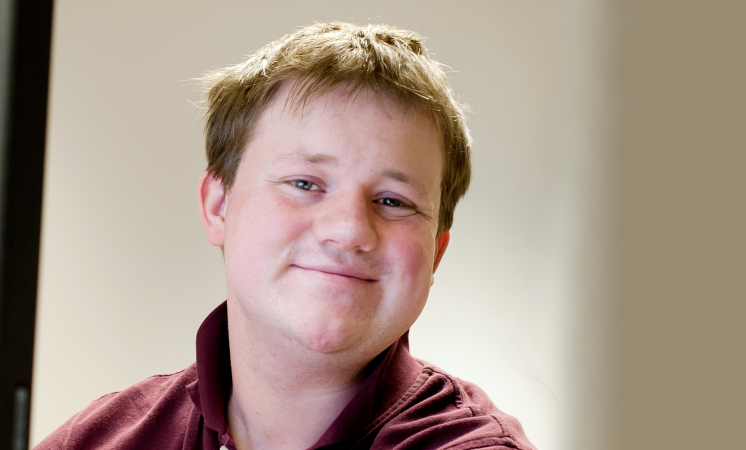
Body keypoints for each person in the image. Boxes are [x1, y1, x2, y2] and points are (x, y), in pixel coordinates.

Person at [35, 22, 535, 450]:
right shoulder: (97, 440)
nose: (349, 230)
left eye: (393, 201)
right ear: (218, 206)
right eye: (304, 184)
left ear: (436, 254)